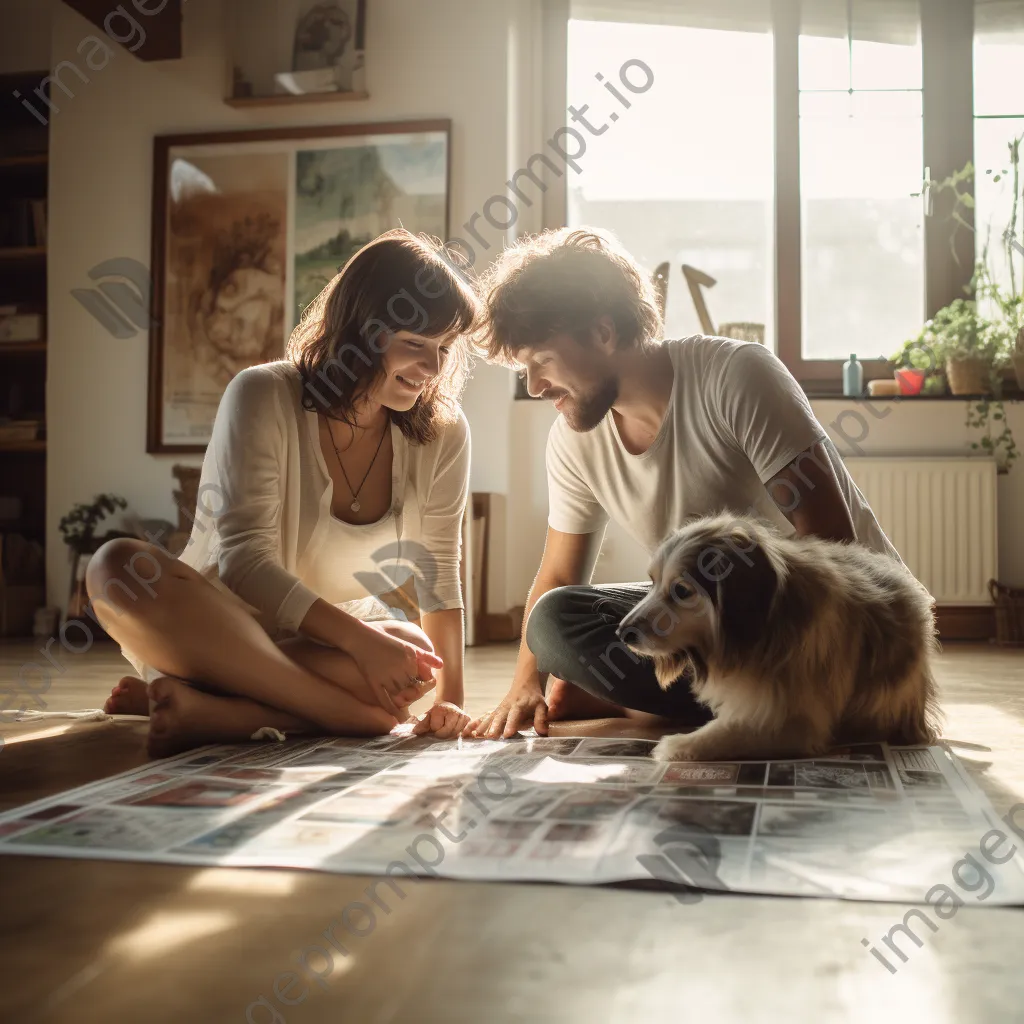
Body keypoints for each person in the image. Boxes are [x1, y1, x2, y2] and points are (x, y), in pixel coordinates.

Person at [466, 228, 901, 740]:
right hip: (713, 634)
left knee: (664, 634)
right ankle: (733, 708)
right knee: (553, 621)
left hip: (838, 632)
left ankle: (687, 705)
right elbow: (561, 573)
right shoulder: (572, 442)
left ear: (603, 333)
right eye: (524, 370)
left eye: (540, 361)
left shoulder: (737, 375)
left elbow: (834, 547)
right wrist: (525, 687)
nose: (535, 387)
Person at [87, 229, 479, 756]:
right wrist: (363, 646)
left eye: (443, 349)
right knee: (116, 567)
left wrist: (449, 701)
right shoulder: (263, 393)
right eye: (415, 344)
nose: (432, 369)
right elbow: (245, 560)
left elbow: (438, 568)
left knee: (415, 653)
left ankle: (217, 710)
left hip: (314, 649)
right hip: (205, 635)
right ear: (363, 332)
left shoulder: (443, 431)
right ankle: (344, 716)